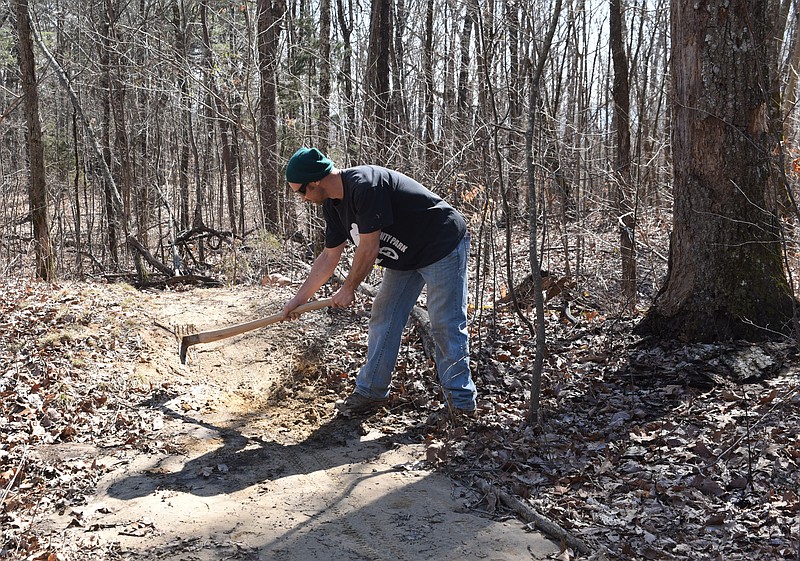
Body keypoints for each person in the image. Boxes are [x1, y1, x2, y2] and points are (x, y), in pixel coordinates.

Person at [278, 147, 477, 418]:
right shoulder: (333, 207)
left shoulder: (365, 186)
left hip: (441, 245)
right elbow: (328, 257)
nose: (301, 199)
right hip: (405, 258)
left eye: (300, 191)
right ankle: (371, 392)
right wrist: (299, 300)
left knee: (445, 323)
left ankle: (461, 404)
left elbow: (369, 248)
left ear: (315, 181)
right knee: (385, 317)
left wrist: (348, 288)